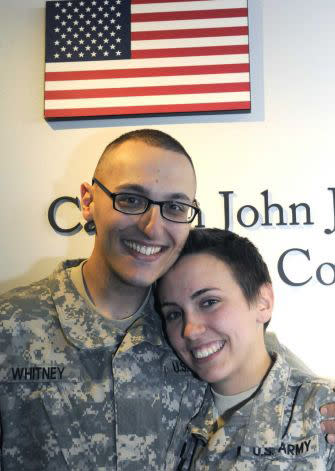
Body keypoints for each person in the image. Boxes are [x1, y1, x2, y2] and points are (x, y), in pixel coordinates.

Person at [0, 129, 334, 470]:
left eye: (174, 206)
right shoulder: (10, 326)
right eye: (130, 199)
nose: (151, 227)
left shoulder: (190, 331)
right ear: (87, 201)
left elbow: (266, 362)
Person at [157, 228, 335, 470]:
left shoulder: (322, 413)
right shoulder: (162, 414)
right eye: (174, 314)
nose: (190, 330)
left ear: (263, 302)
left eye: (209, 302)